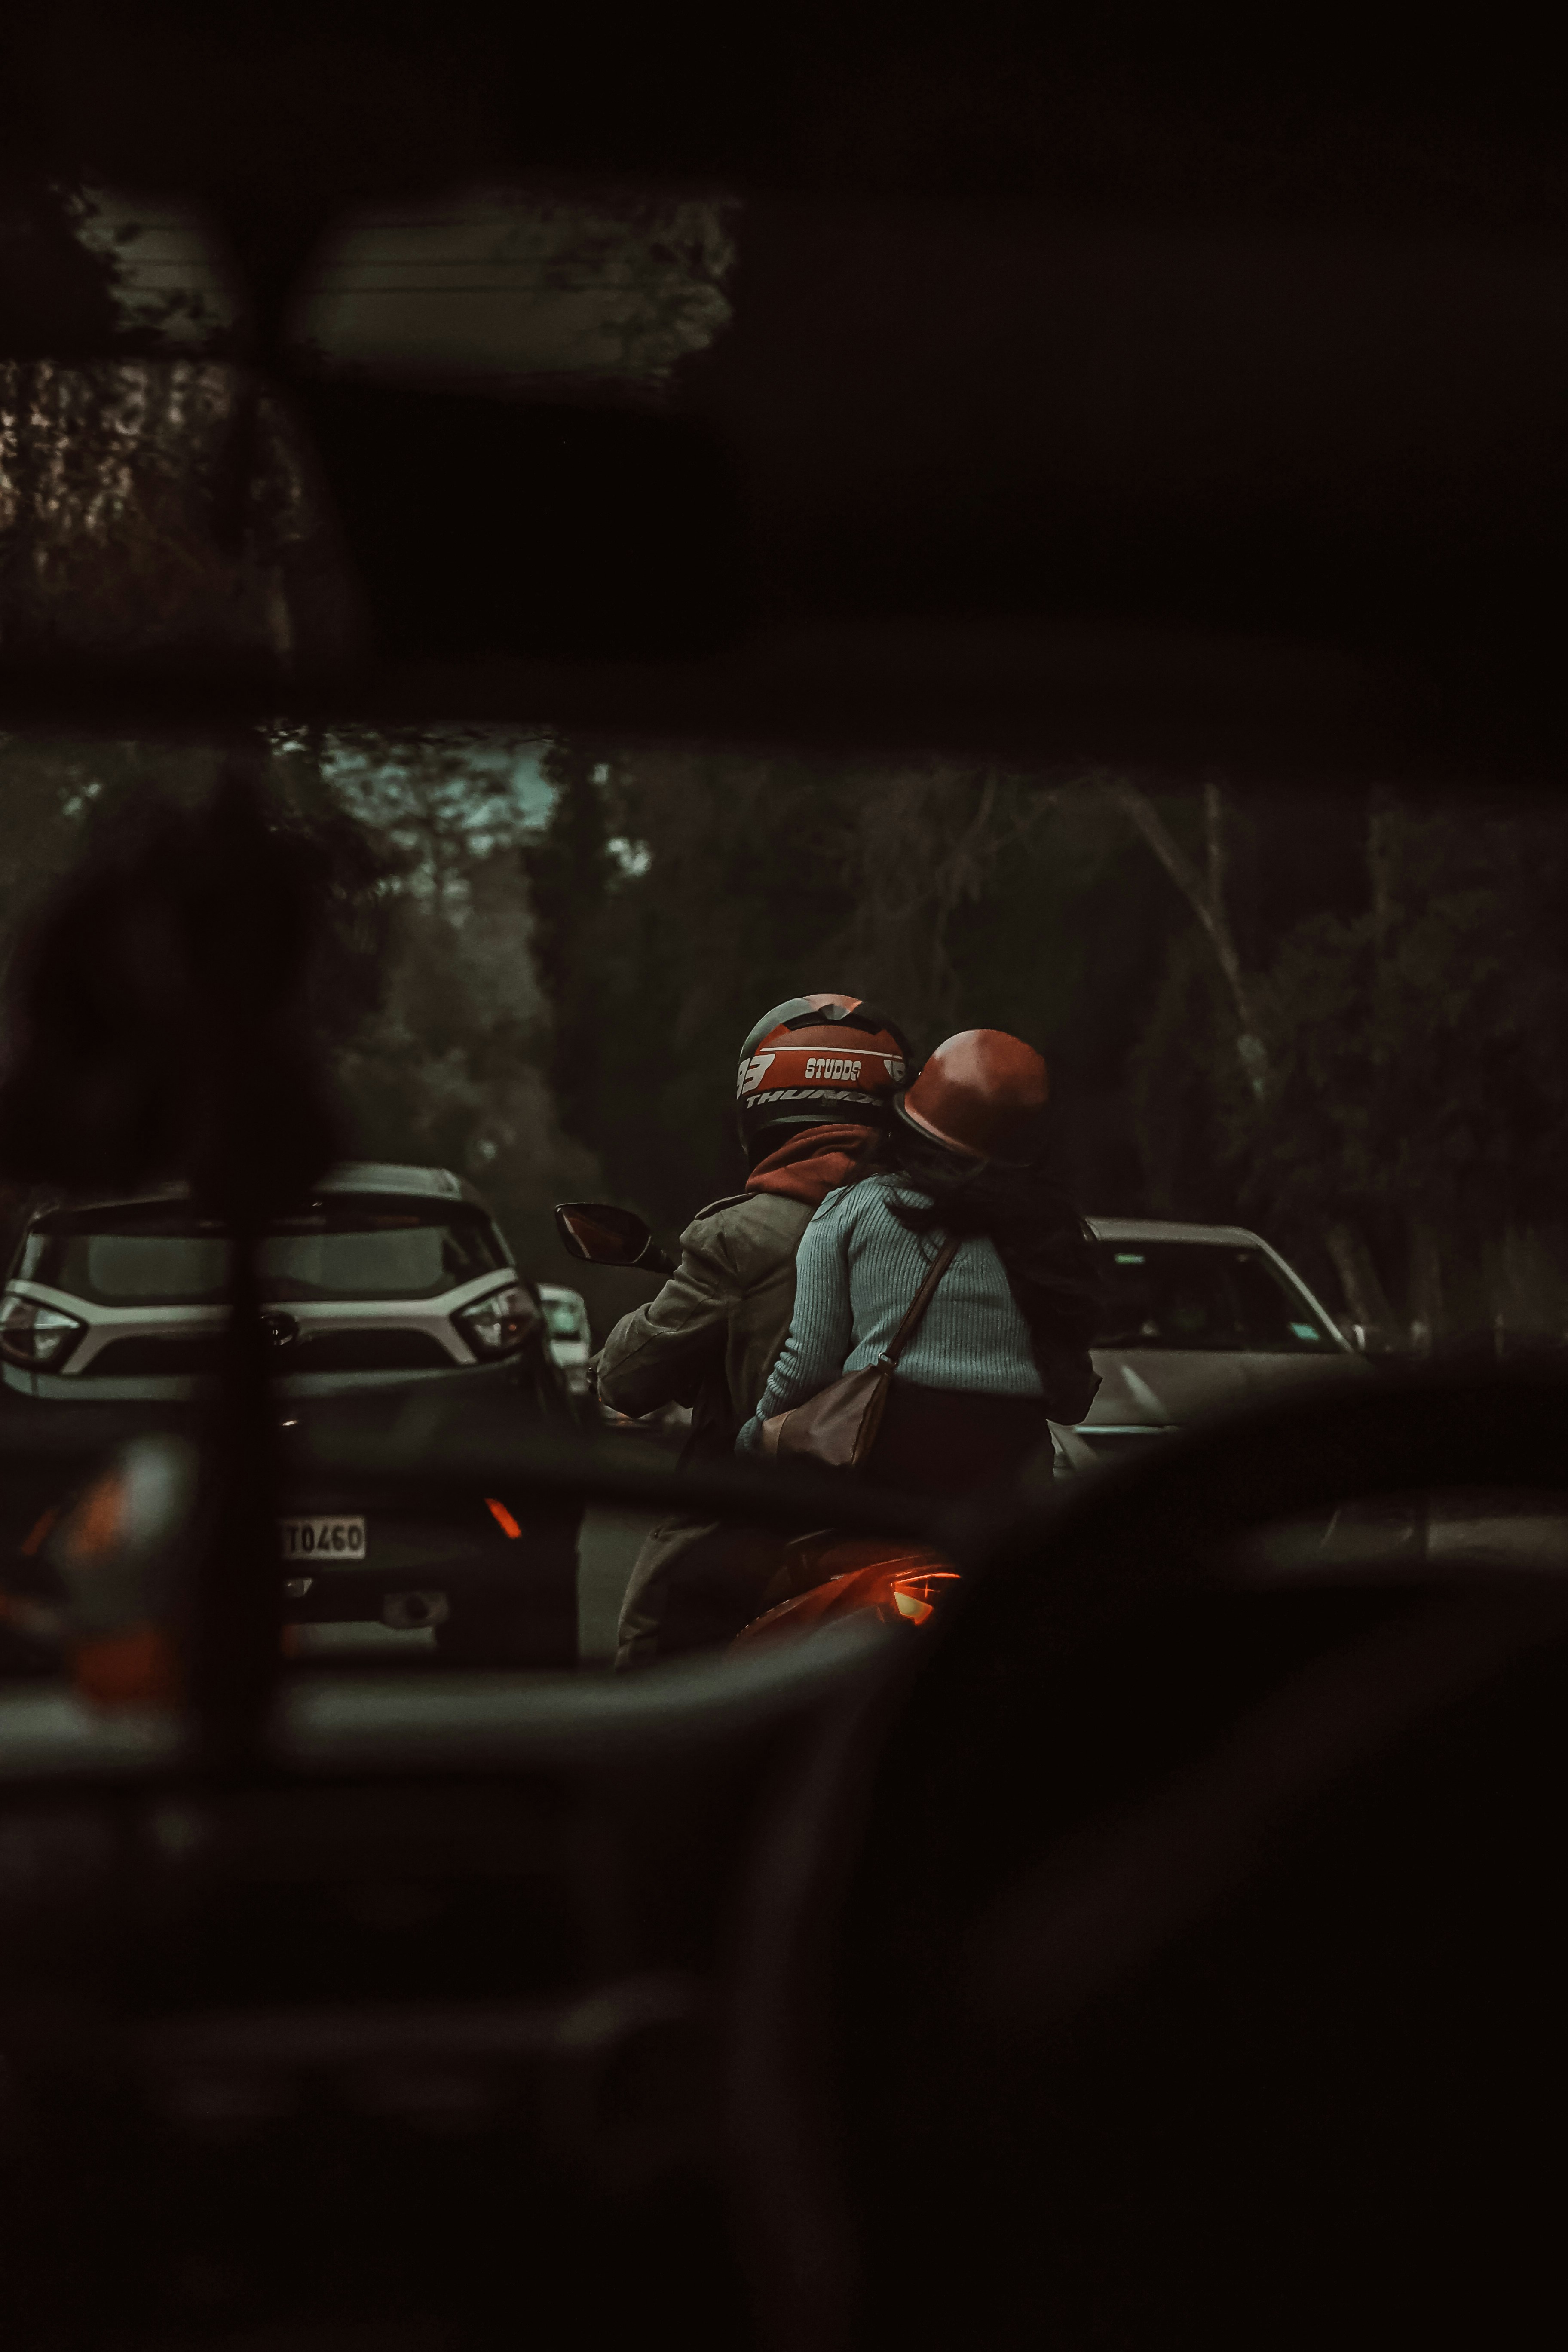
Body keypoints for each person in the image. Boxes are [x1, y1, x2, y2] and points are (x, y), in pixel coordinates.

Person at [596, 992, 913, 1666]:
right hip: (921, 1516)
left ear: (762, 1103)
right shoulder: (941, 1220)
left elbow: (627, 1380)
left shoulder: (742, 1234)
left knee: (652, 1652)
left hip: (763, 1525)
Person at [736, 1030, 1100, 1495]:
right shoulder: (1052, 1231)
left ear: (908, 1116)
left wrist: (753, 1439)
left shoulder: (855, 1207)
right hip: (1015, 1457)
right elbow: (1072, 1397)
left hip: (890, 1446)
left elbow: (809, 1363)